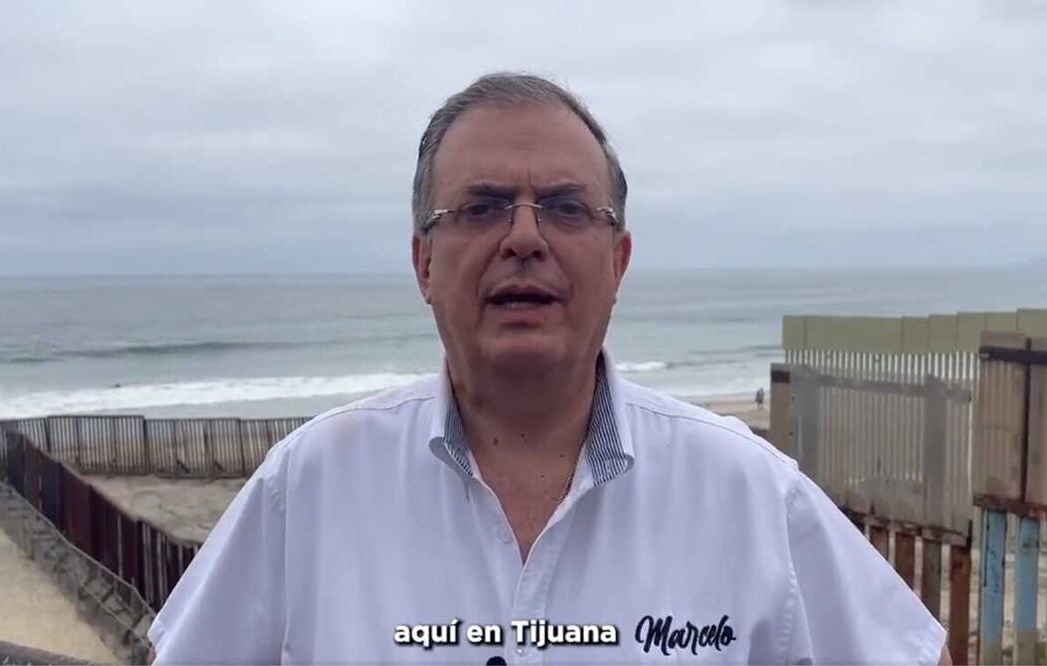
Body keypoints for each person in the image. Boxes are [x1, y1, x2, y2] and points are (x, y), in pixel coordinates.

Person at [148, 73, 950, 664]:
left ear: (618, 260)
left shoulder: (749, 495)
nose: (524, 237)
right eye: (482, 206)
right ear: (424, 262)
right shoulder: (309, 485)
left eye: (566, 209)